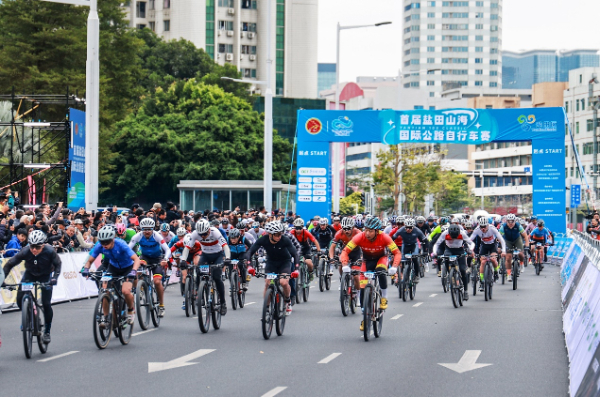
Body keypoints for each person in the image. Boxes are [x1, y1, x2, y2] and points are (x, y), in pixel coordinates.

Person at [340, 217, 401, 331]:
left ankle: (384, 297)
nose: (367, 233)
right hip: (366, 261)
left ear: (377, 231)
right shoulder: (360, 237)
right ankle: (365, 317)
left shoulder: (384, 237)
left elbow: (396, 252)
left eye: (370, 231)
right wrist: (344, 265)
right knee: (363, 290)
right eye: (366, 230)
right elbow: (345, 251)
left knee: (381, 272)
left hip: (381, 259)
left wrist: (394, 266)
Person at [2, 230, 61, 343]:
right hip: (30, 275)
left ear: (43, 245)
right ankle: (30, 315)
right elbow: (10, 264)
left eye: (37, 247)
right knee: (19, 298)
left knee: (46, 303)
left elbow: (58, 264)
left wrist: (55, 278)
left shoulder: (49, 251)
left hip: (45, 276)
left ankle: (47, 331)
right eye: (32, 246)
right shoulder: (25, 251)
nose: (34, 249)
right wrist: (1, 279)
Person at [247, 221, 299, 315]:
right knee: (267, 283)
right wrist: (249, 266)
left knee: (283, 282)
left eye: (281, 233)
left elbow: (295, 254)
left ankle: (288, 301)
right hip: (271, 262)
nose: (280, 236)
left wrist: (296, 269)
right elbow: (250, 252)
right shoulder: (263, 239)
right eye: (277, 234)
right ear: (270, 234)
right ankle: (266, 308)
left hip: (284, 262)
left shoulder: (284, 239)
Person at [181, 219, 231, 315]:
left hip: (217, 255)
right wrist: (183, 260)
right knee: (199, 272)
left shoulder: (215, 232)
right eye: (201, 235)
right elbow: (187, 248)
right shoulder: (195, 233)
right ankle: (200, 295)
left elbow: (225, 246)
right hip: (205, 255)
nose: (203, 236)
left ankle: (223, 302)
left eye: (204, 234)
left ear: (208, 230)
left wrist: (228, 258)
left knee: (217, 277)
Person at [128, 218, 171, 317]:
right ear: (141, 229)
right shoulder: (137, 236)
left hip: (157, 259)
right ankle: (141, 288)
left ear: (153, 229)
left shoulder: (157, 236)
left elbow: (167, 249)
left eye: (149, 229)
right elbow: (128, 248)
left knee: (157, 282)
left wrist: (165, 259)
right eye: (144, 229)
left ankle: (161, 305)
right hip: (145, 257)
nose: (147, 232)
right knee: (139, 266)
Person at [433, 224, 474, 301]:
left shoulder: (462, 233)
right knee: (446, 259)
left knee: (462, 270)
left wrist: (470, 250)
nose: (454, 238)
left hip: (459, 250)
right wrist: (435, 253)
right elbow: (437, 244)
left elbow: (471, 243)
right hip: (449, 250)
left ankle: (465, 291)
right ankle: (451, 276)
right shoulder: (445, 233)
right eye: (452, 237)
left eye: (455, 237)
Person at [329, 217, 362, 297]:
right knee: (341, 264)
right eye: (344, 229)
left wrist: (361, 258)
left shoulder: (358, 233)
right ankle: (343, 279)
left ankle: (358, 294)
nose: (346, 231)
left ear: (353, 227)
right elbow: (332, 247)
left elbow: (364, 246)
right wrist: (331, 258)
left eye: (348, 229)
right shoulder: (339, 233)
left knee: (356, 276)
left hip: (356, 252)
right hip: (345, 252)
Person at [471, 217, 507, 284]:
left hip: (492, 245)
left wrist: (504, 251)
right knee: (483, 262)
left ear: (487, 225)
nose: (483, 229)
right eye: (481, 227)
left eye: (484, 227)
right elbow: (470, 240)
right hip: (484, 245)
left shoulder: (492, 228)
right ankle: (481, 280)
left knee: (493, 259)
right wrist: (470, 250)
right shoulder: (477, 230)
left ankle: (496, 272)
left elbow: (502, 240)